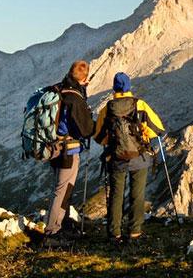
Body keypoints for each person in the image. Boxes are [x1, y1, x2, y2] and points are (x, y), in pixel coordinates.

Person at [94, 72, 165, 243]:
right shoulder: (140, 105)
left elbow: (98, 137)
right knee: (137, 194)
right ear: (129, 87)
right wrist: (145, 133)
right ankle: (134, 232)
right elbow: (158, 129)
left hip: (116, 157)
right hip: (139, 157)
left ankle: (114, 233)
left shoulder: (107, 109)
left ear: (114, 88)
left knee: (116, 194)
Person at [43, 60, 95, 247]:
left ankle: (61, 225)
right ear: (84, 78)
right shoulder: (74, 98)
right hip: (68, 150)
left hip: (53, 148)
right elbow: (86, 128)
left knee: (62, 188)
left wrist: (82, 90)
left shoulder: (60, 89)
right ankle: (52, 233)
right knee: (62, 190)